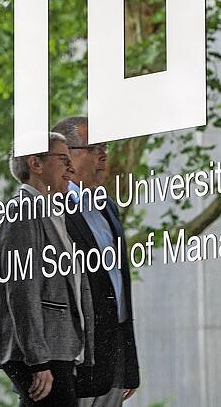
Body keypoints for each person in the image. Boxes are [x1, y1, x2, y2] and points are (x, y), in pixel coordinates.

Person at [0, 132, 95, 406]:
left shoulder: (52, 212)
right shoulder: (23, 211)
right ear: (35, 164)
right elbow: (21, 290)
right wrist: (38, 360)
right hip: (43, 353)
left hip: (57, 349)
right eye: (63, 160)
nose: (72, 169)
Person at [52, 117, 141, 406]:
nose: (103, 155)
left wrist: (129, 366)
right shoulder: (46, 209)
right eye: (94, 148)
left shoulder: (107, 207)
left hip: (112, 362)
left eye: (105, 147)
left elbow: (119, 292)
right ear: (65, 156)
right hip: (71, 367)